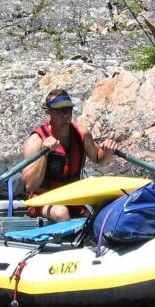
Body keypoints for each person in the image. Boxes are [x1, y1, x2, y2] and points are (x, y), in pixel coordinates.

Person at [23, 88, 117, 221]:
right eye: (59, 111)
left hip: (72, 197)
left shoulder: (82, 134)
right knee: (61, 212)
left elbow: (98, 158)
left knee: (104, 212)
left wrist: (107, 150)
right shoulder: (36, 141)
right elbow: (30, 185)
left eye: (68, 110)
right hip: (42, 199)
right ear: (48, 112)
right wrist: (44, 155)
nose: (65, 115)